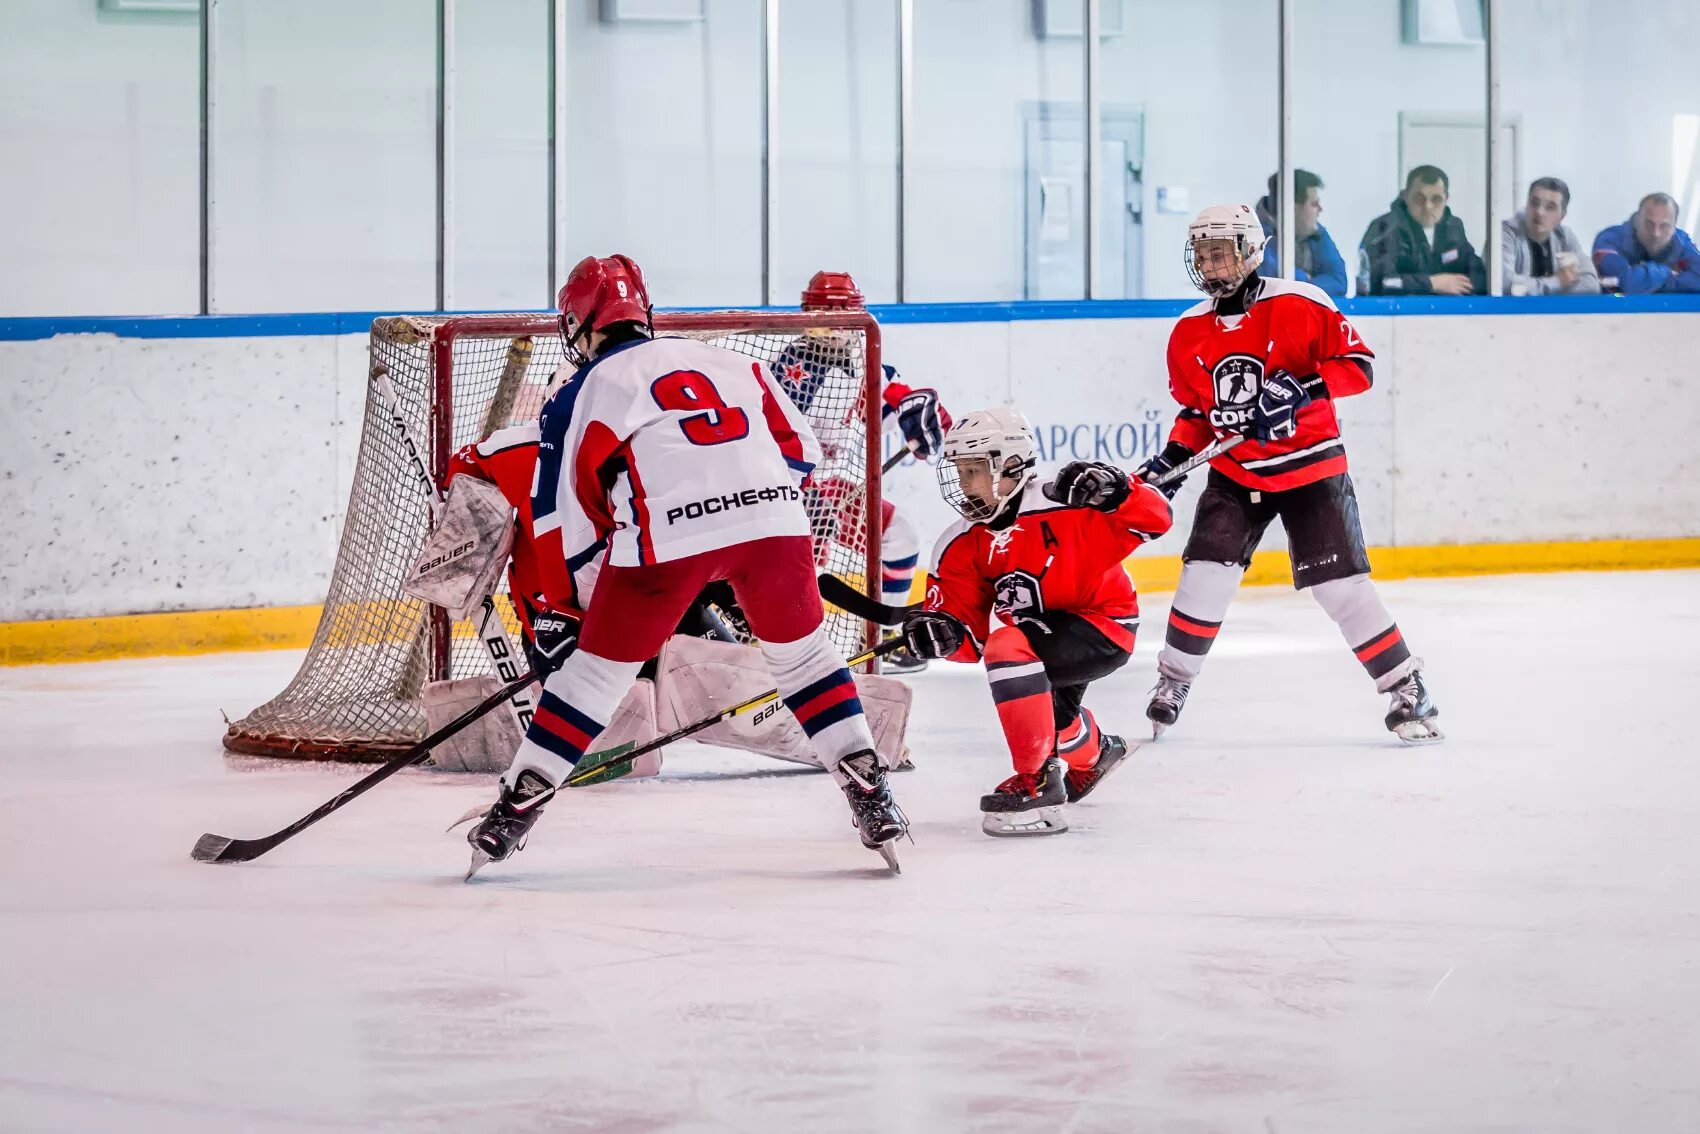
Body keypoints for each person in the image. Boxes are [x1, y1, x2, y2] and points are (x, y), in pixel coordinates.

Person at [461, 254, 909, 877]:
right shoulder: (730, 360)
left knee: (592, 680)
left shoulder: (581, 391)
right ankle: (871, 793)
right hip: (776, 524)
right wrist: (744, 520)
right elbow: (799, 453)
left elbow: (573, 517)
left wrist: (585, 607)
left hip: (663, 543)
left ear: (581, 323)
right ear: (643, 313)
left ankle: (512, 813)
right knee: (806, 662)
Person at [1140, 204, 1441, 744]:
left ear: (1251, 250)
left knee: (1340, 588)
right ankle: (1173, 681)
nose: (1210, 264)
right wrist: (1171, 461)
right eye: (1202, 254)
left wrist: (1302, 388)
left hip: (1312, 468)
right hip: (1237, 474)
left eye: (1221, 252)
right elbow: (1196, 415)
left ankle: (1407, 684)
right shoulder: (1188, 331)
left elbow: (1359, 368)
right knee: (1204, 574)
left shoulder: (1302, 303)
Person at [896, 407, 1173, 837]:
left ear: (1010, 467)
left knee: (1008, 645)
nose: (966, 485)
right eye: (962, 472)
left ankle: (1038, 783)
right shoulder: (959, 543)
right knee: (1055, 718)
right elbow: (970, 641)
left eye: (976, 471)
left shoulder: (1068, 503)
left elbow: (1156, 519)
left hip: (1102, 624)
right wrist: (943, 634)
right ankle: (1098, 753)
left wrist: (1120, 491)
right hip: (1040, 639)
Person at [773, 271, 951, 673]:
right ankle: (777, 643)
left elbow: (904, 403)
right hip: (790, 493)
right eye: (823, 312)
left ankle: (879, 636)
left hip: (840, 490)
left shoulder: (869, 362)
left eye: (842, 312)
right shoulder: (792, 368)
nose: (834, 323)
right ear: (806, 314)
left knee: (900, 534)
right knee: (805, 570)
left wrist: (925, 413)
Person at [1357, 165, 1486, 296]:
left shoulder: (1453, 227)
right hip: (1396, 314)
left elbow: (1480, 277)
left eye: (1436, 199)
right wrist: (1432, 284)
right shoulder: (1385, 227)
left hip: (1444, 314)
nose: (1428, 206)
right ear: (1406, 196)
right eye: (1419, 198)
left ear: (1446, 199)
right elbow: (1381, 283)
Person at [1501, 177, 1600, 295]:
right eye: (1534, 203)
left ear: (1562, 216)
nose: (1539, 212)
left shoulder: (1564, 236)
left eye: (1550, 207)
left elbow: (1591, 286)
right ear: (1526, 204)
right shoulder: (1506, 232)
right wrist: (1557, 282)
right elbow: (1505, 284)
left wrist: (1534, 289)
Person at [1255, 169, 1348, 296]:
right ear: (1291, 207)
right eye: (1314, 203)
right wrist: (1311, 283)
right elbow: (1276, 283)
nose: (1320, 209)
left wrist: (1304, 282)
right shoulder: (1255, 237)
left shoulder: (1316, 233)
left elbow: (1339, 282)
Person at [1592, 193, 1700, 294]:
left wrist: (1645, 280)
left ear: (1674, 228)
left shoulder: (1682, 242)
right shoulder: (1609, 239)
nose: (1656, 233)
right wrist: (1665, 272)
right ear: (1637, 220)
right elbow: (1629, 284)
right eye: (1649, 224)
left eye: (1664, 226)